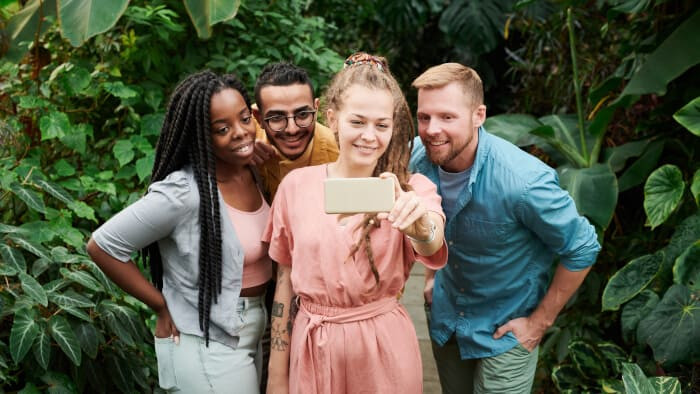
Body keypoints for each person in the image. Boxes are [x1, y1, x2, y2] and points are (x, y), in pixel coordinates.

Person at [409, 62, 601, 393]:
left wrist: (540, 322)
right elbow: (430, 220)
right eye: (424, 117)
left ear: (478, 115)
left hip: (505, 330)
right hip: (447, 319)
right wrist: (430, 276)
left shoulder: (523, 182)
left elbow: (582, 247)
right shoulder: (418, 158)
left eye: (447, 117)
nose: (431, 129)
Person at [264, 53, 449, 394]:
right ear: (332, 118)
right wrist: (277, 376)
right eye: (357, 122)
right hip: (313, 346)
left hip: (383, 349)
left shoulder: (410, 188)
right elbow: (285, 281)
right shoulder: (296, 187)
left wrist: (419, 226)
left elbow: (433, 238)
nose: (369, 136)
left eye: (381, 125)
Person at [86, 71, 270, 393]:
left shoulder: (253, 170)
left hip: (253, 326)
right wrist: (160, 304)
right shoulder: (183, 193)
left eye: (244, 119)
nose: (240, 133)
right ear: (200, 135)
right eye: (222, 129)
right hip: (207, 340)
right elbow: (102, 245)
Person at [252, 62, 339, 199]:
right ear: (259, 118)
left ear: (316, 109)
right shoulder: (243, 136)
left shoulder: (338, 155)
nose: (292, 129)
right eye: (277, 118)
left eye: (303, 114)